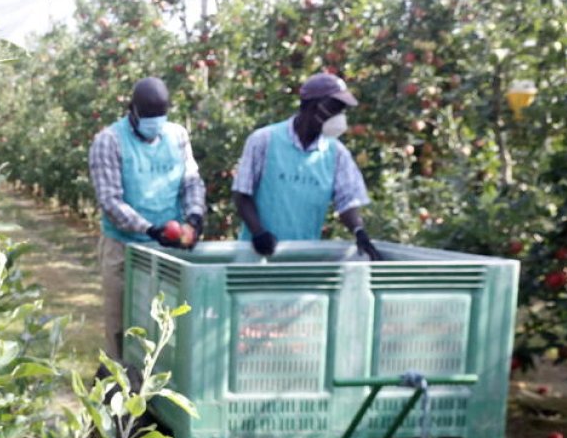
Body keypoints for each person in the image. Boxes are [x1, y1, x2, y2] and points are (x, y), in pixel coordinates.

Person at [89, 77, 206, 361]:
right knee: (121, 324)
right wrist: (150, 230)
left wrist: (194, 216)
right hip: (124, 246)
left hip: (168, 247)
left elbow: (191, 180)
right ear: (133, 110)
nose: (155, 122)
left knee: (166, 322)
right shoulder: (109, 141)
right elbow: (111, 201)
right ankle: (118, 387)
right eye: (149, 116)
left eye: (160, 115)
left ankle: (156, 391)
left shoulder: (177, 136)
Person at [232, 73, 382, 261]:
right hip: (256, 256)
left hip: (303, 259)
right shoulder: (264, 141)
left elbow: (348, 200)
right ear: (313, 106)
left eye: (342, 110)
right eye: (334, 108)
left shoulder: (335, 153)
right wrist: (258, 233)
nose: (339, 116)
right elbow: (242, 194)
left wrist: (359, 231)